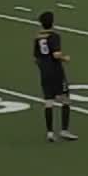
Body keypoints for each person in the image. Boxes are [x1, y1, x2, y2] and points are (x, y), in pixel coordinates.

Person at [33, 11, 77, 142]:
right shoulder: (55, 36)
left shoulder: (38, 37)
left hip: (44, 72)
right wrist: (65, 58)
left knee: (48, 102)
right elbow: (56, 54)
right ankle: (64, 130)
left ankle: (50, 133)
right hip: (56, 72)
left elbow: (35, 58)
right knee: (65, 99)